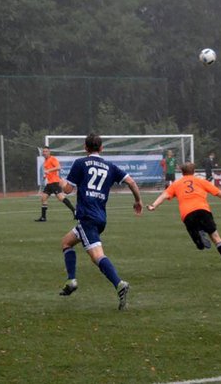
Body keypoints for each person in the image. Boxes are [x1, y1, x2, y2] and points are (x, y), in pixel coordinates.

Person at [58, 133, 143, 310]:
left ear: (85, 148)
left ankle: (119, 284)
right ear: (102, 148)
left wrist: (60, 182)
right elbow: (132, 182)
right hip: (100, 217)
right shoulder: (110, 166)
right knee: (66, 242)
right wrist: (138, 201)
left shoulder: (81, 163)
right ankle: (71, 280)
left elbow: (67, 189)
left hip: (87, 217)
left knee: (97, 256)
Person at [147, 162, 221, 270]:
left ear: (182, 172)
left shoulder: (176, 184)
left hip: (188, 214)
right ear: (194, 171)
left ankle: (199, 236)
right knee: (215, 236)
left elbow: (164, 195)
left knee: (200, 246)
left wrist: (154, 205)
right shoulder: (201, 181)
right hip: (203, 211)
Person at [34, 146, 76, 222]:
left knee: (61, 198)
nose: (44, 153)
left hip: (55, 182)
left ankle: (75, 211)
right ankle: (43, 217)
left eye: (46, 151)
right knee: (43, 198)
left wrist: (48, 170)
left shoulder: (52, 159)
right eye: (44, 151)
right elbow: (48, 172)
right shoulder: (46, 161)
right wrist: (45, 175)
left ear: (49, 152)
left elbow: (59, 167)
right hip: (49, 183)